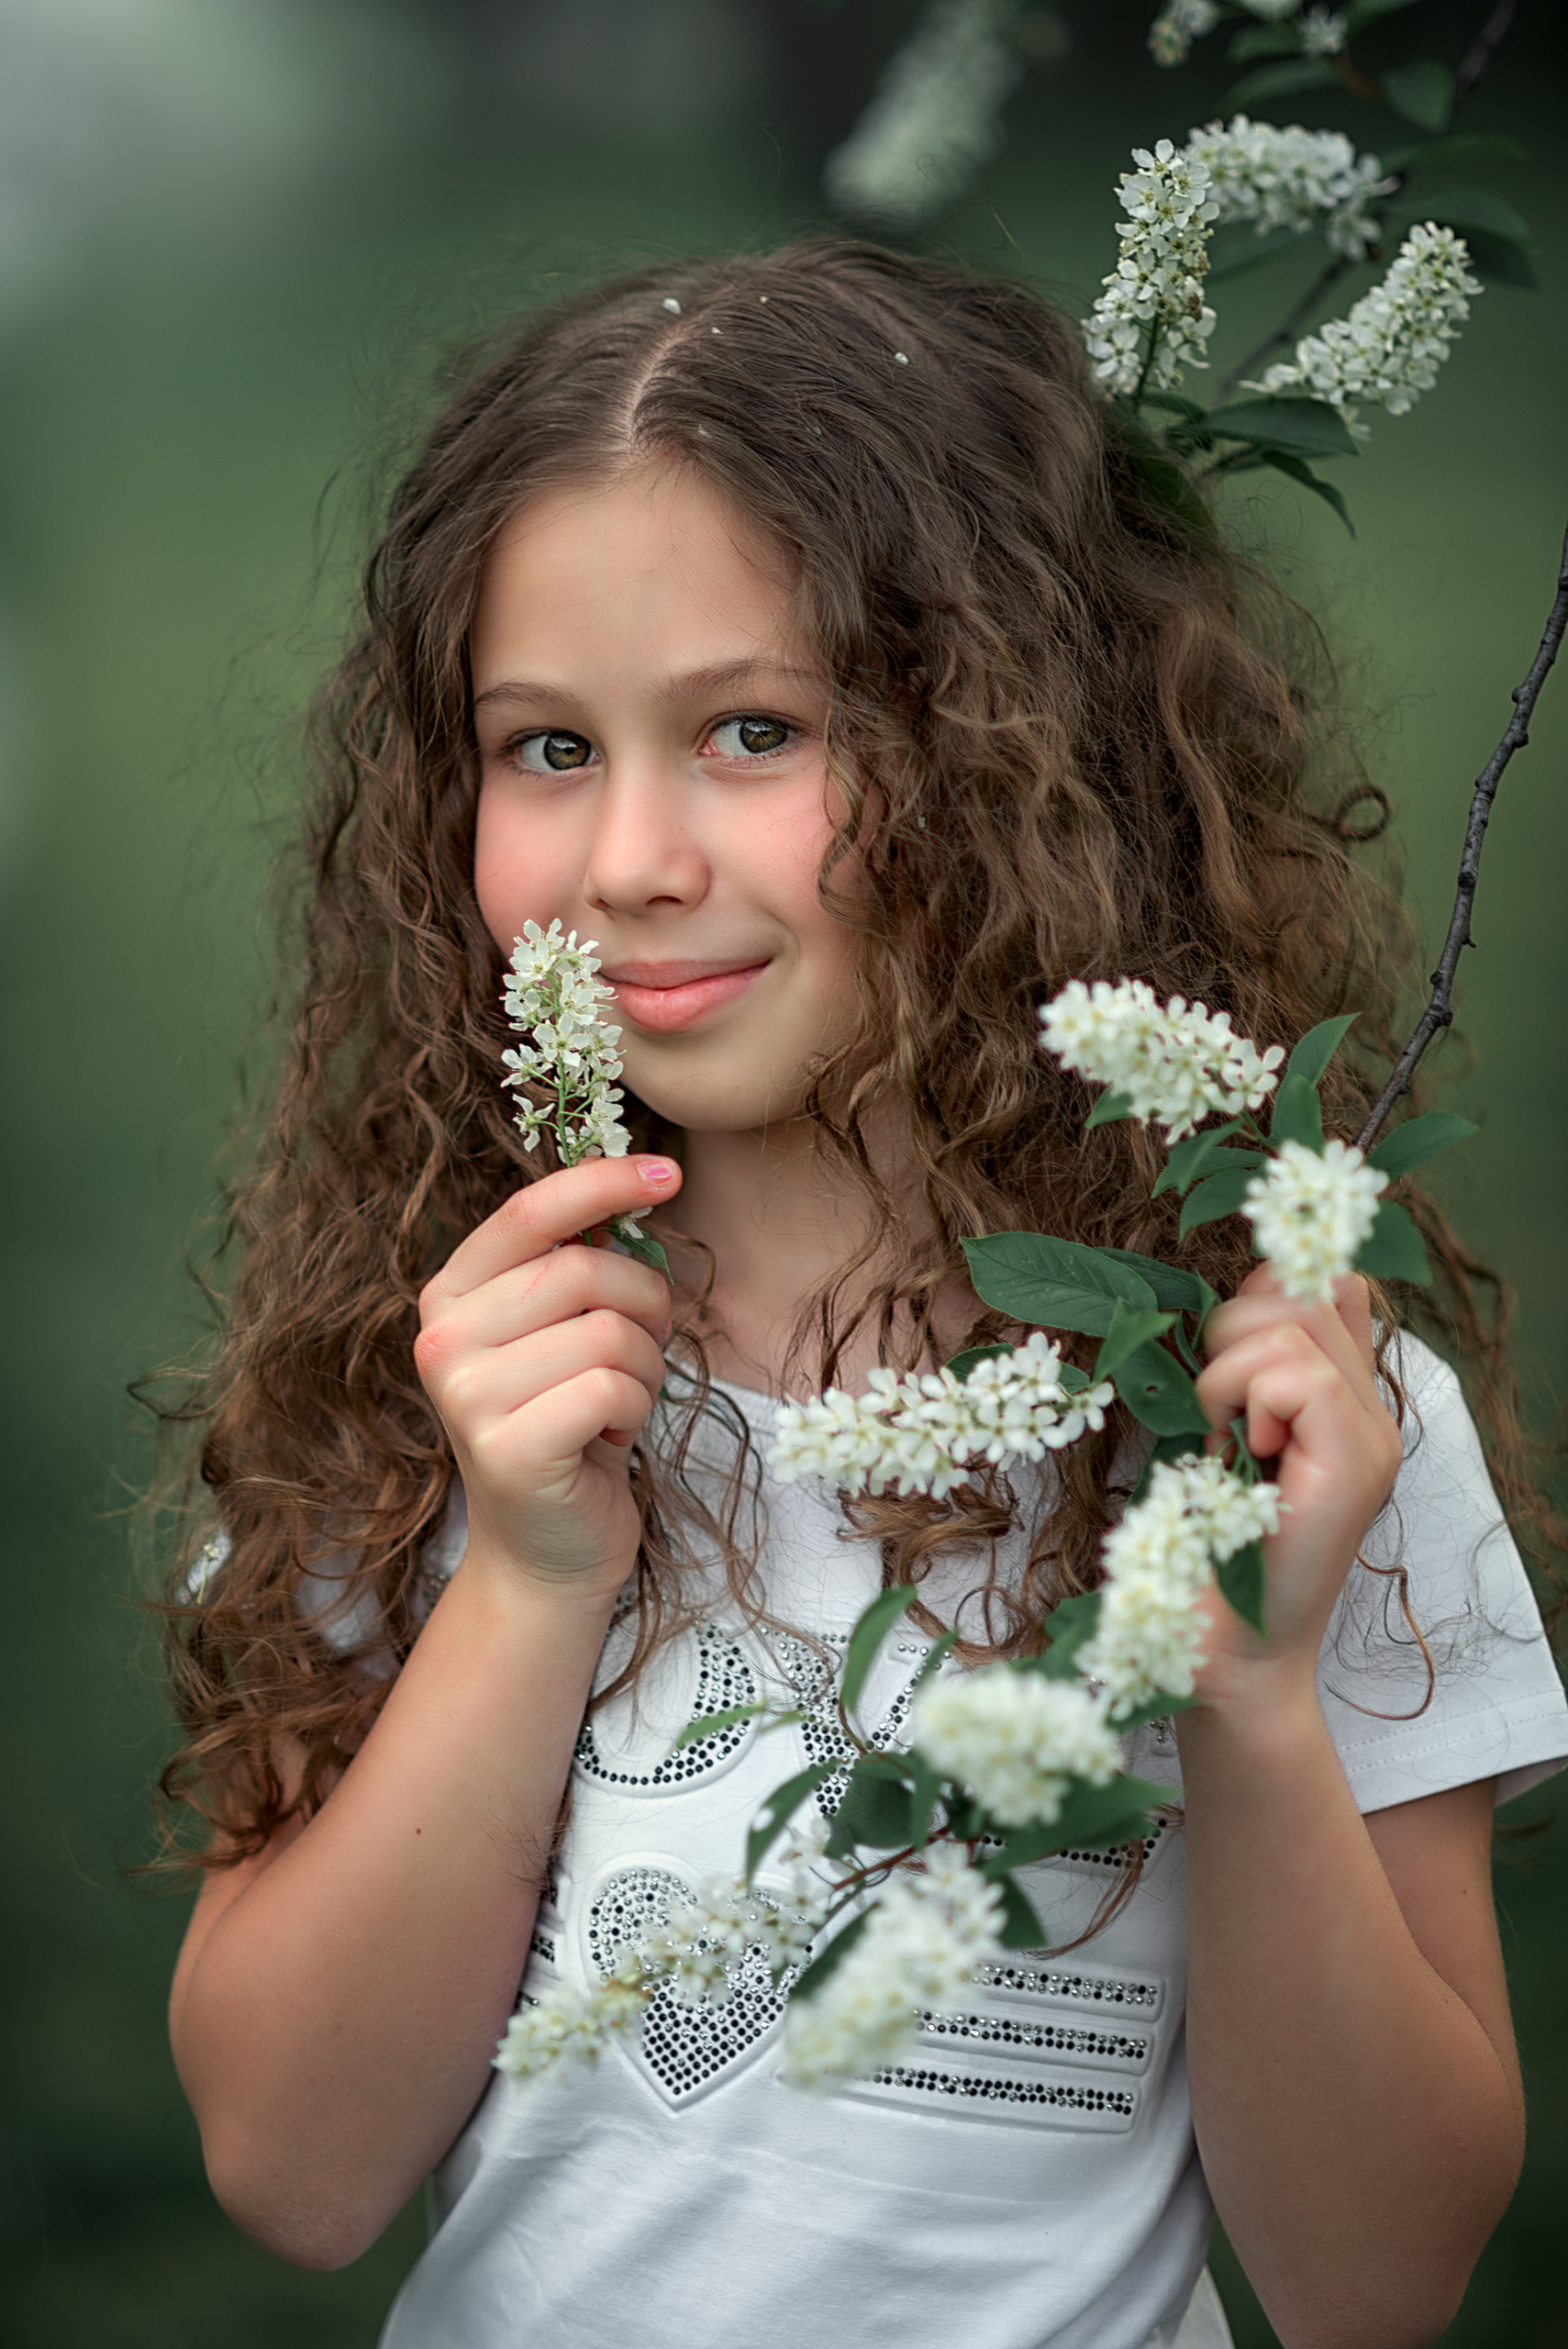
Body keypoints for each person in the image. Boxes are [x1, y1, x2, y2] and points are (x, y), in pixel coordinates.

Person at [160, 240, 1568, 2349]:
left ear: (1014, 749)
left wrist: (1254, 1702)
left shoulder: (1283, 1423)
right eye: (544, 747)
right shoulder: (440, 1382)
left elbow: (1377, 2280)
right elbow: (291, 2161)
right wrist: (531, 1579)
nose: (630, 852)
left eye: (754, 727)